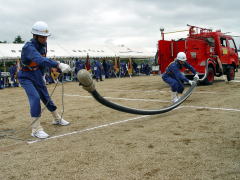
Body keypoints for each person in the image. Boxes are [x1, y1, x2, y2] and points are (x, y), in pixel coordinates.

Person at [18, 21, 71, 139]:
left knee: (46, 96)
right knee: (35, 98)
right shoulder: (28, 47)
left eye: (46, 37)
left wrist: (48, 72)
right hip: (26, 76)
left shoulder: (43, 45)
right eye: (42, 37)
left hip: (37, 74)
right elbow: (39, 59)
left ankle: (57, 118)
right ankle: (36, 129)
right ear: (35, 36)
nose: (45, 39)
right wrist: (58, 64)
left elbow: (43, 60)